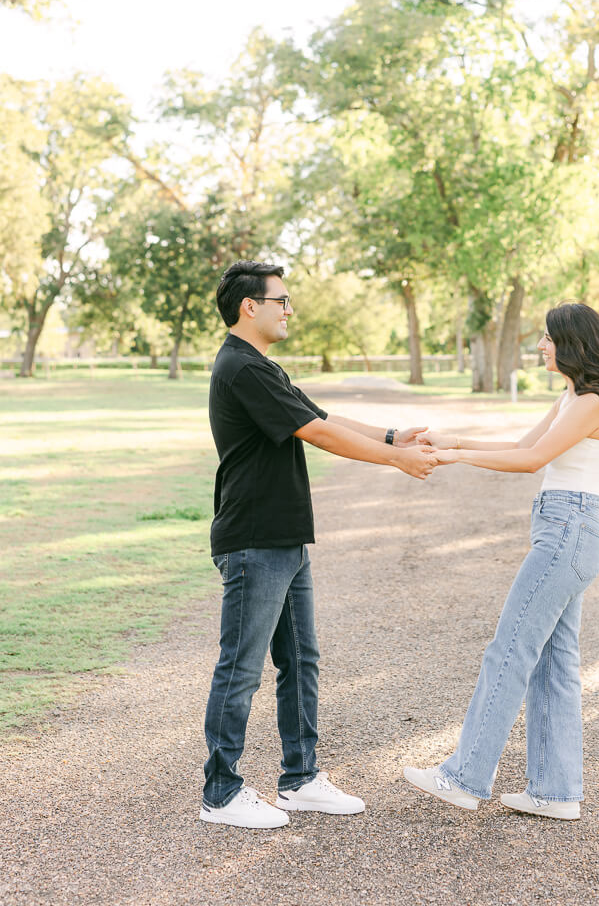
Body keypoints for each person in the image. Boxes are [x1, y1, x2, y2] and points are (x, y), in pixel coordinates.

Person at [201, 260, 436, 830]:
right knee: (242, 665)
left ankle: (300, 779)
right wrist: (396, 460)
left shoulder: (262, 366)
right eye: (280, 299)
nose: (288, 309)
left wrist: (387, 435)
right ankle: (221, 792)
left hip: (283, 537)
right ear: (248, 307)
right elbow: (318, 433)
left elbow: (321, 414)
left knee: (300, 660)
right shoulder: (240, 368)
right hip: (255, 539)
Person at [403, 302, 599, 820]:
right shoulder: (574, 396)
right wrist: (458, 440)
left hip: (568, 532)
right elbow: (521, 445)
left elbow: (530, 462)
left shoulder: (590, 403)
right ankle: (556, 793)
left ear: (573, 343)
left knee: (509, 650)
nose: (541, 346)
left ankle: (464, 778)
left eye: (548, 338)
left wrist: (455, 458)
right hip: (567, 531)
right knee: (554, 665)